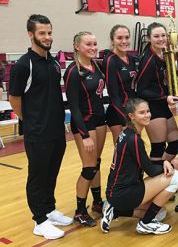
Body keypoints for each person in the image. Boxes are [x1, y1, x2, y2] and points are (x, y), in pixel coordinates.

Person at [9, 14, 72, 240]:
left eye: (49, 33)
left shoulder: (53, 62)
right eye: (42, 33)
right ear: (31, 35)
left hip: (56, 130)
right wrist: (30, 120)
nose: (47, 37)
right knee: (37, 176)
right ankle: (39, 221)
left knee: (51, 173)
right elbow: (14, 98)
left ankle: (49, 209)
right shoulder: (23, 66)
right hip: (37, 133)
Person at [101, 98, 178, 234]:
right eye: (142, 113)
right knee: (176, 177)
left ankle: (115, 210)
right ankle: (146, 223)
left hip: (116, 190)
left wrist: (164, 162)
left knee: (160, 213)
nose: (147, 115)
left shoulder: (126, 133)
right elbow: (150, 170)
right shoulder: (133, 139)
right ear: (131, 116)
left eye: (148, 111)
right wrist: (169, 165)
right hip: (124, 193)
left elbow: (145, 163)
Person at [64, 31, 107, 226]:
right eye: (88, 44)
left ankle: (97, 202)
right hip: (85, 124)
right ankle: (80, 211)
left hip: (100, 121)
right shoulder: (73, 71)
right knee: (88, 168)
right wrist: (84, 135)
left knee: (96, 163)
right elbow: (73, 107)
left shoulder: (96, 65)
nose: (93, 47)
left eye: (95, 43)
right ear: (77, 46)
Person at [136, 22, 178, 163]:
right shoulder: (148, 60)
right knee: (158, 148)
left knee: (175, 143)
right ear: (149, 38)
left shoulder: (163, 54)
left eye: (163, 35)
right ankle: (153, 179)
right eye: (156, 36)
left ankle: (162, 171)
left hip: (162, 104)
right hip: (153, 107)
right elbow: (141, 90)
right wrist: (165, 97)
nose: (161, 39)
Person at [103, 24, 138, 143]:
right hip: (119, 113)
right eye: (119, 38)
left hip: (133, 110)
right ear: (112, 40)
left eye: (127, 37)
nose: (124, 41)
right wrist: (125, 119)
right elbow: (113, 95)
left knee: (133, 148)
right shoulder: (110, 60)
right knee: (121, 150)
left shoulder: (132, 58)